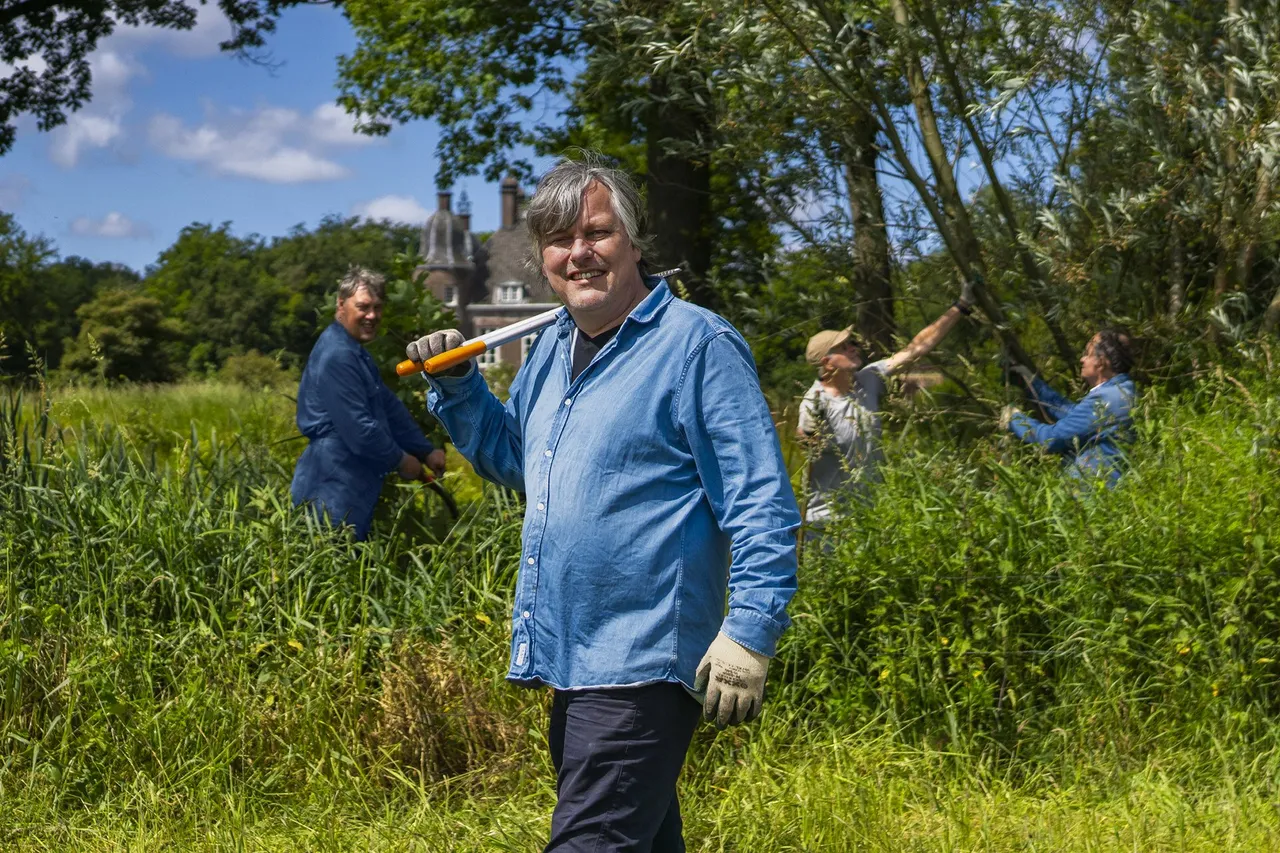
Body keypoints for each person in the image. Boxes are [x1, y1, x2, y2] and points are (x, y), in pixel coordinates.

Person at [406, 157, 799, 852]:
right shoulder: (552, 347)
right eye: (560, 240)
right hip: (571, 656)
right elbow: (513, 458)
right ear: (543, 259)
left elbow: (759, 499)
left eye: (596, 232)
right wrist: (463, 384)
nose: (578, 253)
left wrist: (751, 629)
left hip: (640, 657)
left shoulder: (697, 346)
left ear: (633, 240)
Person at [796, 280, 976, 532]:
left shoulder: (868, 379)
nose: (853, 348)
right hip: (828, 522)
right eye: (844, 347)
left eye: (851, 343)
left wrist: (962, 305)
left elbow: (915, 350)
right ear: (827, 362)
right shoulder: (814, 402)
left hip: (871, 514)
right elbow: (803, 442)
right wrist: (807, 436)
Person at [290, 267, 446, 540]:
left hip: (350, 478)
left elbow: (388, 408)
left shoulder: (355, 353)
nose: (372, 315)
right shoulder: (337, 355)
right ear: (341, 305)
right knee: (331, 562)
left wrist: (425, 450)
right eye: (363, 307)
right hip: (331, 479)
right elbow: (359, 429)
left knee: (347, 564)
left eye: (377, 307)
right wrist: (400, 460)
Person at [1001, 330, 1136, 487]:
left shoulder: (1107, 399)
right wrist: (1030, 383)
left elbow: (1049, 440)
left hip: (1091, 496)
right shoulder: (1121, 392)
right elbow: (1072, 415)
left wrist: (1014, 419)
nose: (1082, 359)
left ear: (1101, 362)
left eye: (1087, 353)